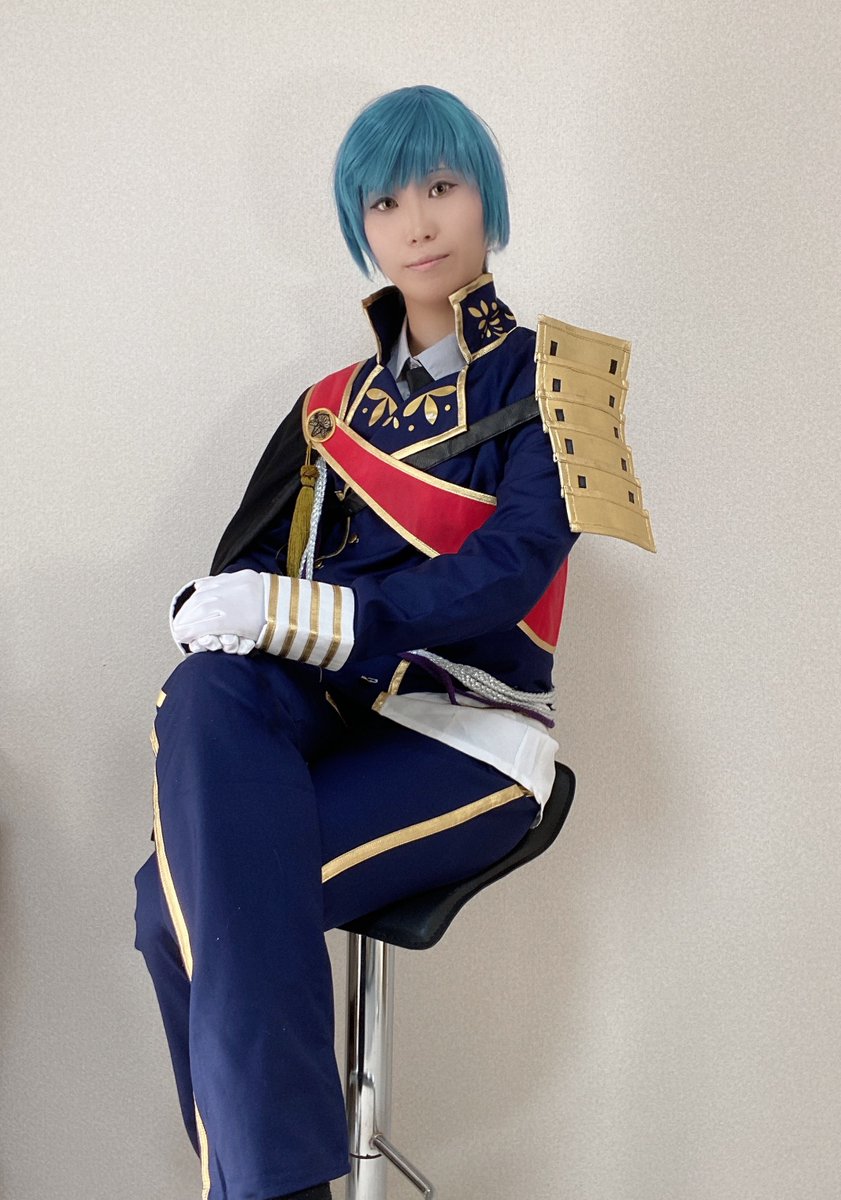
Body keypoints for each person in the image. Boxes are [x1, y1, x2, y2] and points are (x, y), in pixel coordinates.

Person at [133, 83, 651, 1200]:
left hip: (469, 735)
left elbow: (509, 569)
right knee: (206, 694)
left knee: (171, 904)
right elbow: (249, 575)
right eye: (384, 202)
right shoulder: (329, 403)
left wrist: (323, 615)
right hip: (334, 722)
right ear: (359, 227)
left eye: (440, 187)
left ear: (485, 199)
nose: (415, 222)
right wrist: (215, 610)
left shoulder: (559, 378)